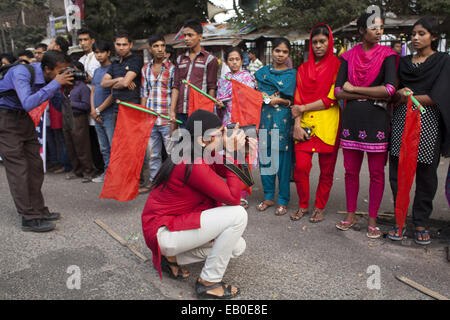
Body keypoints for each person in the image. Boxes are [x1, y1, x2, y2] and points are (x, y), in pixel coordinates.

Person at [142, 109, 252, 299]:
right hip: (163, 231)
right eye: (221, 133)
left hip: (170, 228)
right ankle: (208, 282)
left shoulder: (197, 152)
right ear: (205, 138)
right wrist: (235, 153)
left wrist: (240, 151)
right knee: (238, 215)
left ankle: (170, 259)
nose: (224, 136)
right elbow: (233, 197)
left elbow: (233, 173)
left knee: (237, 246)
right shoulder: (191, 162)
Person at [334, 13, 398, 239]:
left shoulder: (389, 56)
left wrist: (354, 90)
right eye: (373, 27)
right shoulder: (348, 57)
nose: (379, 31)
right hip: (351, 122)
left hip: (377, 121)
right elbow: (337, 91)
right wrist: (357, 92)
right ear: (361, 30)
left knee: (376, 173)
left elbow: (389, 90)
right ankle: (350, 215)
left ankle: (372, 219)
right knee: (350, 171)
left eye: (381, 27)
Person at [388, 17, 450, 245]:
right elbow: (393, 93)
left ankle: (421, 221)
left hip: (428, 121)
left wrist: (409, 97)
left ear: (433, 36)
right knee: (398, 171)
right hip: (402, 121)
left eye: (421, 33)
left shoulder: (443, 61)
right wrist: (400, 95)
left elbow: (439, 95)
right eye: (413, 34)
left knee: (426, 174)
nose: (415, 37)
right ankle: (399, 218)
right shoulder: (402, 63)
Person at [0, 50, 74, 232]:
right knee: (18, 168)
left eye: (66, 71)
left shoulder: (50, 79)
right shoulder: (22, 73)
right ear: (47, 69)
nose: (63, 75)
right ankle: (29, 218)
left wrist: (65, 89)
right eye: (60, 71)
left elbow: (57, 105)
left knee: (35, 165)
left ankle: (39, 210)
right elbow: (27, 102)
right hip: (5, 118)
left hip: (23, 119)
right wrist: (56, 83)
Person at [289, 23, 341, 223]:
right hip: (305, 124)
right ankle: (303, 205)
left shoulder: (337, 65)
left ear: (329, 43)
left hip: (329, 124)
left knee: (326, 171)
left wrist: (303, 108)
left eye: (322, 41)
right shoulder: (303, 68)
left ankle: (319, 207)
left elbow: (331, 99)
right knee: (301, 168)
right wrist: (296, 124)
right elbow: (297, 99)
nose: (318, 46)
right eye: (315, 42)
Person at [255, 38, 297, 216]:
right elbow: (256, 93)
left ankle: (283, 200)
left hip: (284, 121)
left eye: (284, 52)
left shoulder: (292, 75)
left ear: (288, 54)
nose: (280, 55)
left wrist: (280, 100)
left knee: (283, 162)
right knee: (266, 159)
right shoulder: (262, 73)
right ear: (272, 51)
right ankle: (269, 196)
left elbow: (294, 100)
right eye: (277, 51)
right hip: (265, 119)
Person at [216, 47, 256, 209]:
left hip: (244, 121)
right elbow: (220, 100)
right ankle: (232, 193)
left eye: (237, 59)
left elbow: (251, 98)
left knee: (243, 158)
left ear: (242, 61)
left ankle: (243, 195)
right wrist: (218, 104)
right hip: (228, 121)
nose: (234, 62)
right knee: (230, 158)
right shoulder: (223, 79)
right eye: (231, 60)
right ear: (226, 62)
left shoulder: (248, 78)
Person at [139, 34, 175, 192]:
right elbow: (144, 93)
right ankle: (154, 183)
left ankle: (173, 185)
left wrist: (172, 115)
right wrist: (142, 115)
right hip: (150, 119)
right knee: (153, 155)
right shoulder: (145, 69)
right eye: (156, 46)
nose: (160, 49)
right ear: (150, 49)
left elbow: (175, 91)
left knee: (171, 153)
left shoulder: (172, 69)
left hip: (167, 118)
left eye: (162, 46)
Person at [169, 21, 218, 129]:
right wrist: (172, 111)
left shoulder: (210, 59)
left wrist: (208, 112)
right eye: (185, 35)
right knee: (183, 144)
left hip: (199, 112)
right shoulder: (180, 59)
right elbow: (176, 86)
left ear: (200, 36)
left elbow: (212, 88)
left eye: (190, 35)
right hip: (181, 111)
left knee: (198, 144)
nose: (186, 38)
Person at [62, 61, 95, 182]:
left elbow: (86, 105)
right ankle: (77, 170)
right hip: (66, 118)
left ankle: (88, 171)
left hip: (78, 119)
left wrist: (71, 103)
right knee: (70, 147)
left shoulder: (82, 87)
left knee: (82, 147)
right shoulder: (65, 87)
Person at [101, 30, 143, 126]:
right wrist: (119, 79)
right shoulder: (114, 63)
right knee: (118, 141)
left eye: (124, 45)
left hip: (131, 109)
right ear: (114, 45)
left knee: (132, 140)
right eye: (118, 44)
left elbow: (125, 83)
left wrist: (113, 84)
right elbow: (103, 83)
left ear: (130, 45)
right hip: (117, 110)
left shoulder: (135, 60)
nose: (121, 48)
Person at [90, 40, 114, 183]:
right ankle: (107, 173)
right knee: (103, 147)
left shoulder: (113, 69)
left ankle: (115, 176)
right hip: (96, 114)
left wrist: (99, 110)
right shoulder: (97, 71)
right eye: (96, 53)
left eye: (101, 52)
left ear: (108, 53)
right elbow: (93, 91)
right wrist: (93, 110)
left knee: (113, 147)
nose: (99, 55)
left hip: (109, 114)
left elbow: (113, 94)